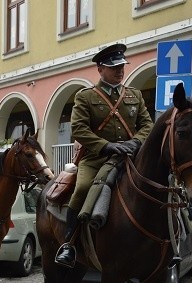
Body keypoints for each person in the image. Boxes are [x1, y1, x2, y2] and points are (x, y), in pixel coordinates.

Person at [55, 43, 153, 267]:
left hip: (130, 156)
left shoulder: (134, 95)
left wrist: (135, 142)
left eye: (121, 66)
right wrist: (106, 146)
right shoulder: (86, 96)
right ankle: (69, 243)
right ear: (100, 69)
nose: (120, 71)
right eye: (114, 67)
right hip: (96, 158)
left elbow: (147, 124)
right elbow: (79, 129)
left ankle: (165, 242)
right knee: (81, 188)